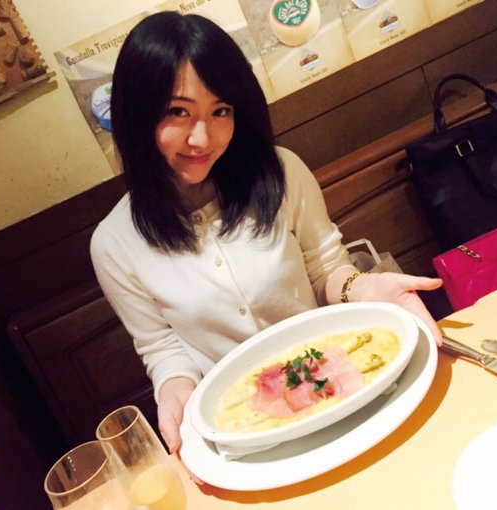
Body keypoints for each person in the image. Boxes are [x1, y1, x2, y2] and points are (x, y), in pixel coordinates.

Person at [90, 11, 442, 455]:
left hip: (340, 393)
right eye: (178, 112)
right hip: (247, 432)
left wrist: (364, 286)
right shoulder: (114, 244)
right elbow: (162, 348)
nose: (202, 138)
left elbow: (326, 269)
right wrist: (173, 390)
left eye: (220, 111)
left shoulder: (280, 172)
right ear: (137, 115)